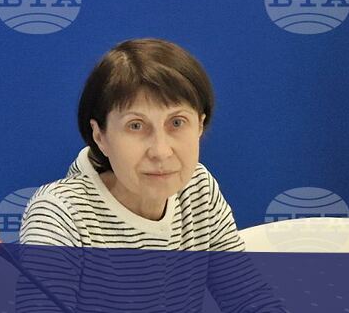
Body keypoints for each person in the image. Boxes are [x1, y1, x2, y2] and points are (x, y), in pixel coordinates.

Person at [17, 38, 285, 312]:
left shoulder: (198, 189)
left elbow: (250, 299)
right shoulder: (59, 214)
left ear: (200, 126)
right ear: (100, 136)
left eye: (177, 122)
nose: (160, 151)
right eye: (136, 126)